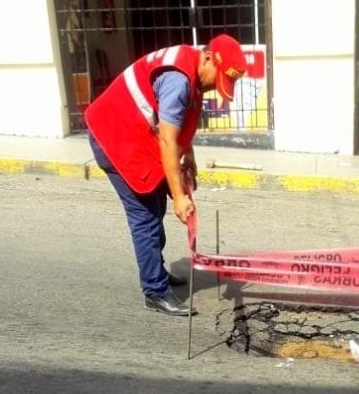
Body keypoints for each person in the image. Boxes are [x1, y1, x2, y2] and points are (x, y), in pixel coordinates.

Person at [86, 35, 248, 315]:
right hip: (115, 138)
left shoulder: (192, 71)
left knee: (154, 207)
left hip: (136, 135)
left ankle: (156, 271)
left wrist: (190, 158)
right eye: (217, 78)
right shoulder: (178, 80)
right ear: (208, 58)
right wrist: (179, 197)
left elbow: (178, 125)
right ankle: (155, 291)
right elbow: (167, 141)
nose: (213, 87)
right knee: (145, 216)